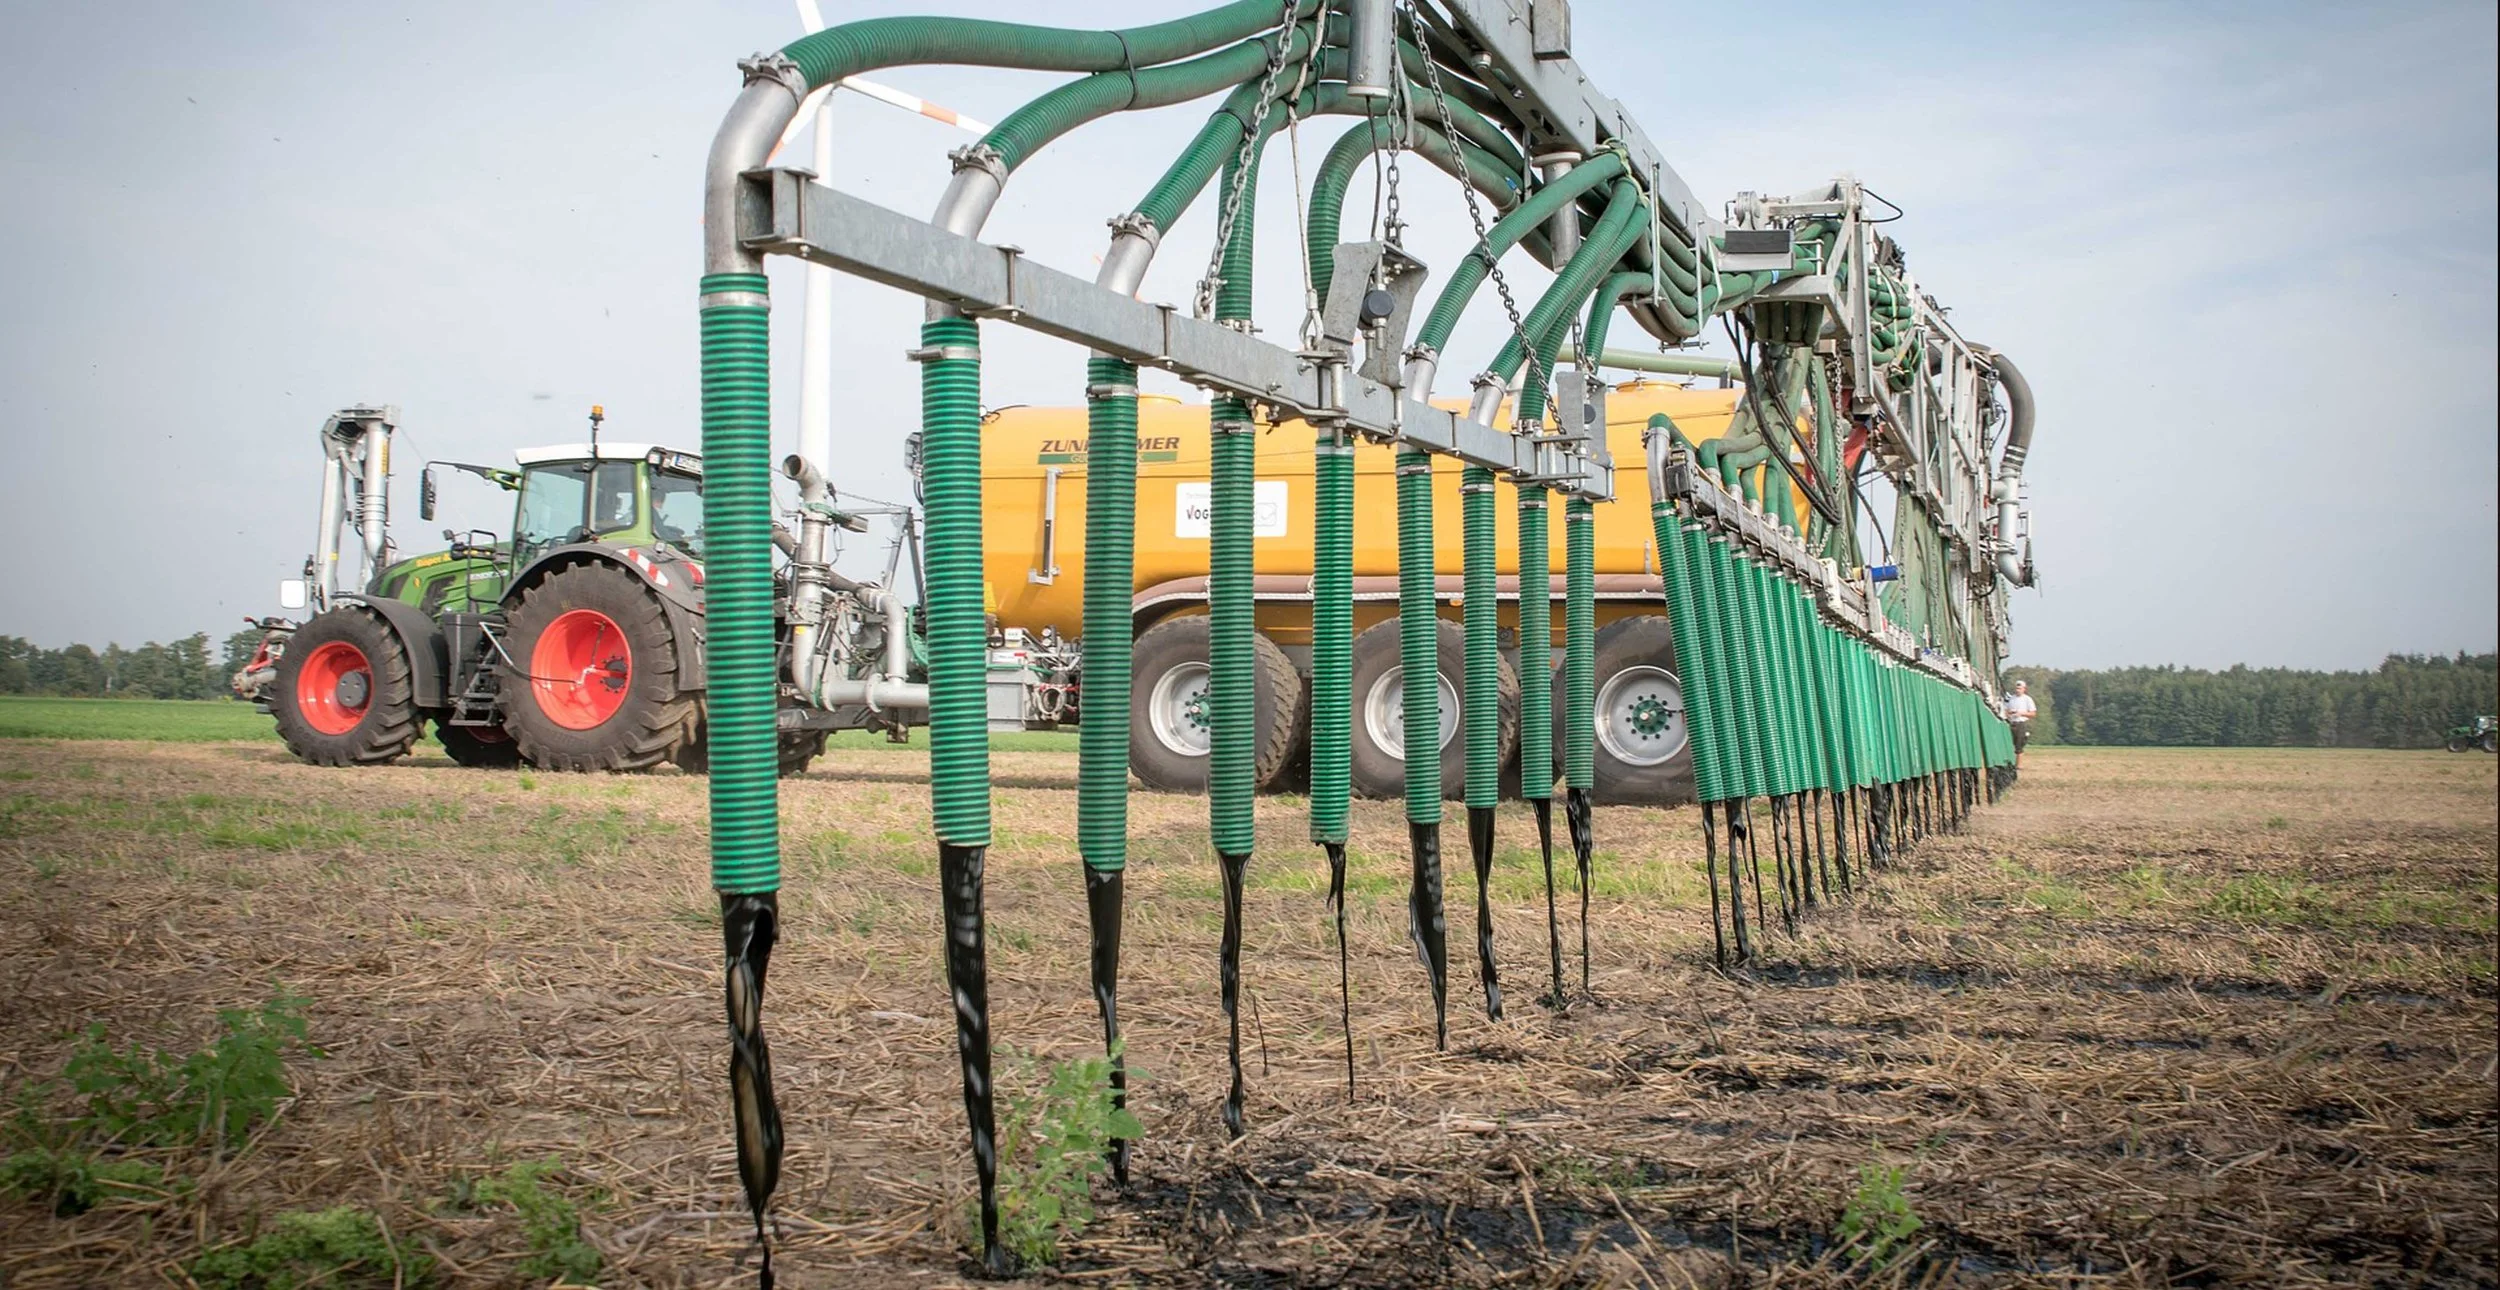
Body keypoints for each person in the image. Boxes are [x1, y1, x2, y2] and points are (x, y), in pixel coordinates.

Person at [2004, 680, 2037, 767]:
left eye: (2020, 688)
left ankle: (2019, 765)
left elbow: (2033, 713)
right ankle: (2010, 763)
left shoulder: (2027, 699)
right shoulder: (2011, 698)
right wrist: (2009, 713)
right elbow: (2005, 710)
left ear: (2024, 689)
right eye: (2017, 688)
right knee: (2010, 744)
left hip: (2021, 723)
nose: (2017, 690)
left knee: (2019, 745)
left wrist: (2021, 713)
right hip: (2011, 723)